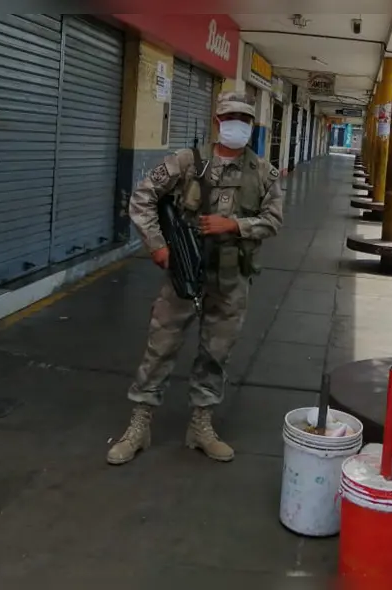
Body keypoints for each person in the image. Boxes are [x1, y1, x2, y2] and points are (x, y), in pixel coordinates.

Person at [107, 92, 285, 465]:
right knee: (161, 346)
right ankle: (139, 424)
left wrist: (234, 223)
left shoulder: (263, 173)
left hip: (232, 278)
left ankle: (200, 425)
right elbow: (142, 197)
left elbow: (273, 221)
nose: (236, 124)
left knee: (216, 352)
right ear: (218, 122)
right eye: (230, 117)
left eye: (243, 118)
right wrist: (156, 245)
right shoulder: (188, 163)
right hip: (185, 274)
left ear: (251, 125)